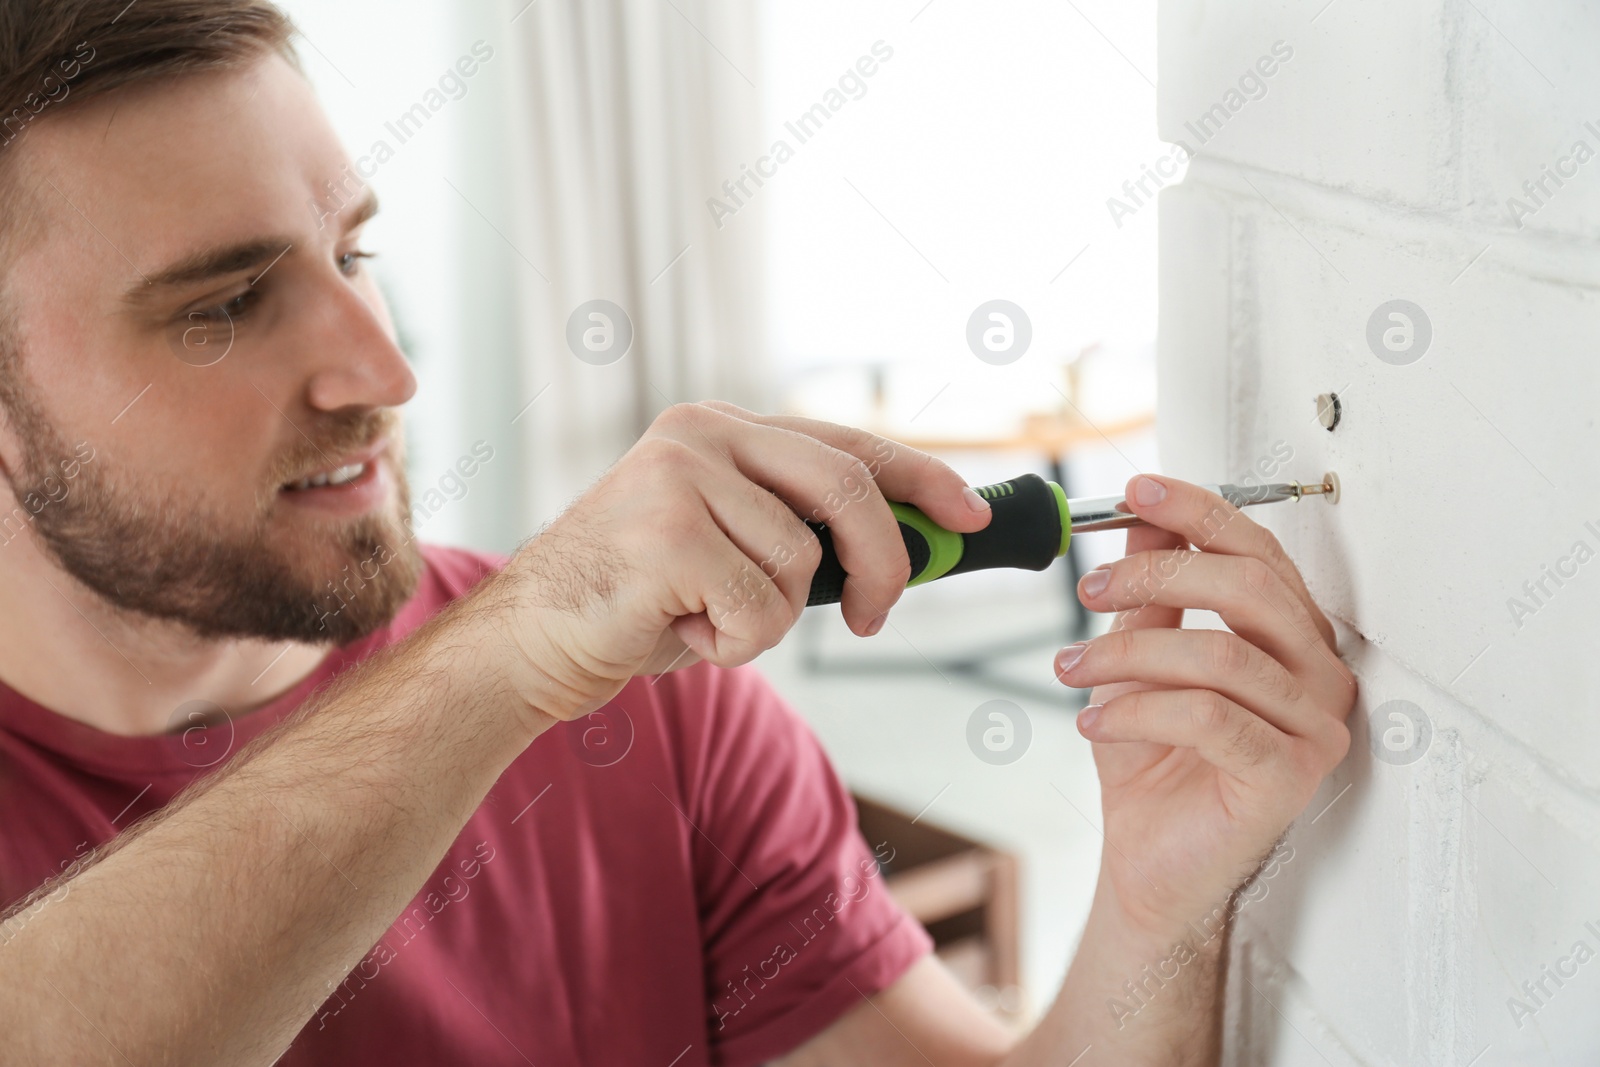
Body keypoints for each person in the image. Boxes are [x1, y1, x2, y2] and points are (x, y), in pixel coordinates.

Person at [0, 3, 1357, 1064]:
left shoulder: (662, 721)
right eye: (226, 303)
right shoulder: (547, 668)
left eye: (352, 255)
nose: (385, 369)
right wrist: (504, 656)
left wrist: (1152, 917)